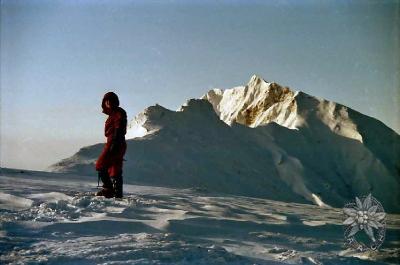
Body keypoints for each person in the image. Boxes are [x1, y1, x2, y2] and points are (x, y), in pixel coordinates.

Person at [95, 92, 127, 198]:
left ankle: (108, 189)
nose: (108, 102)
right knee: (115, 167)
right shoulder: (112, 114)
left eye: (110, 100)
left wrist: (115, 142)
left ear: (115, 102)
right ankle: (117, 194)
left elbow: (119, 127)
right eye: (106, 100)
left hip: (115, 142)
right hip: (117, 142)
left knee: (101, 164)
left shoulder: (118, 112)